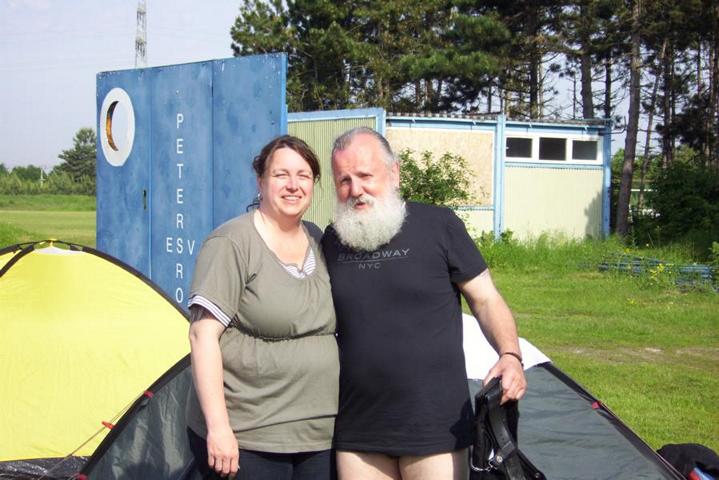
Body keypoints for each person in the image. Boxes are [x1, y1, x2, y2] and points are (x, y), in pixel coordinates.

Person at [321, 127, 527, 480]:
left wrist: (510, 355)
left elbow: (486, 299)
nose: (355, 190)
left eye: (365, 176)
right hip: (357, 428)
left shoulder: (439, 225)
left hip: (436, 427)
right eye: (344, 180)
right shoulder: (331, 242)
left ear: (394, 173)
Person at [186, 135, 339, 480]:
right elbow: (202, 336)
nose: (293, 185)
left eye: (303, 175)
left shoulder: (318, 239)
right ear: (261, 181)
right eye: (281, 174)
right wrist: (219, 429)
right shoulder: (232, 242)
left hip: (320, 434)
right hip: (250, 435)